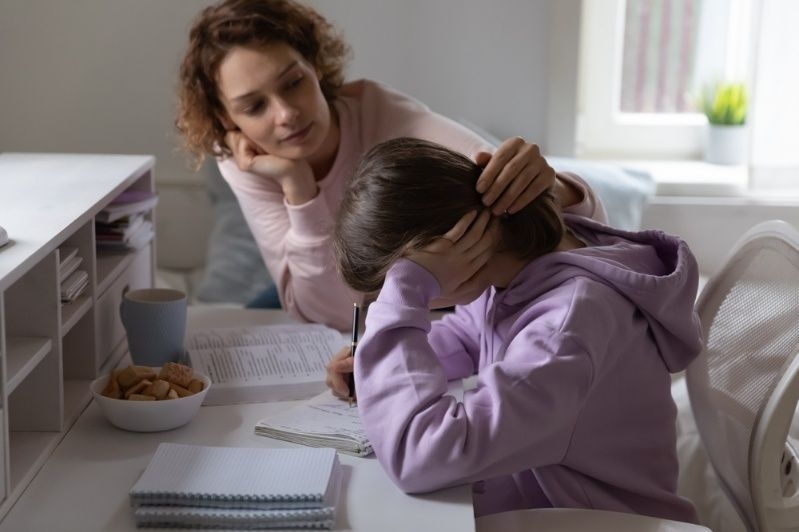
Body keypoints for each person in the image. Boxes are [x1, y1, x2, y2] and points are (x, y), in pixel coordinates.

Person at [327, 137, 703, 523]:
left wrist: (403, 297)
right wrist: (376, 366)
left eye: (399, 286)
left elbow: (422, 455)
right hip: (541, 504)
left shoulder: (564, 329)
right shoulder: (522, 268)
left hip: (599, 524)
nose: (414, 298)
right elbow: (466, 335)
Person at [175, 0, 606, 331]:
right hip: (341, 292)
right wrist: (296, 184)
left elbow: (565, 229)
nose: (285, 113)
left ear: (315, 67)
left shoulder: (390, 118)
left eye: (294, 82)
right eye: (254, 106)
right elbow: (324, 311)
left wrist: (558, 188)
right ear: (228, 120)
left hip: (427, 297)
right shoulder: (247, 159)